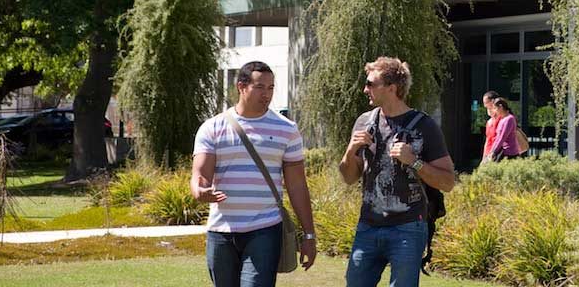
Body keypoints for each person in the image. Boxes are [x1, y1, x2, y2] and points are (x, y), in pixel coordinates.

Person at [192, 61, 317, 287]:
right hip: (221, 231)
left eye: (271, 88)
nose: (267, 94)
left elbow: (298, 185)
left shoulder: (286, 129)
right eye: (260, 87)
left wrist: (309, 235)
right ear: (242, 86)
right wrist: (200, 191)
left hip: (265, 229)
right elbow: (200, 176)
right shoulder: (212, 127)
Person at [339, 57, 456, 287]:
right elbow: (348, 177)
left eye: (371, 84)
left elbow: (448, 182)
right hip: (368, 226)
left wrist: (414, 161)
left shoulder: (424, 126)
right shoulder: (364, 122)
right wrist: (350, 150)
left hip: (408, 228)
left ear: (392, 88)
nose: (365, 89)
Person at [485, 97, 523, 161]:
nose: (494, 111)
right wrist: (492, 151)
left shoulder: (509, 119)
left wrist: (494, 151)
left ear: (501, 107)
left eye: (495, 108)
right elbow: (497, 138)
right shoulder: (502, 119)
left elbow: (502, 137)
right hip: (503, 152)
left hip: (510, 153)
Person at [480, 90, 501, 165]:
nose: (485, 105)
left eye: (486, 102)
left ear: (492, 102)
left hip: (498, 156)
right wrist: (483, 159)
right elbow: (488, 140)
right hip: (489, 156)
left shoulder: (503, 120)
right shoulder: (489, 122)